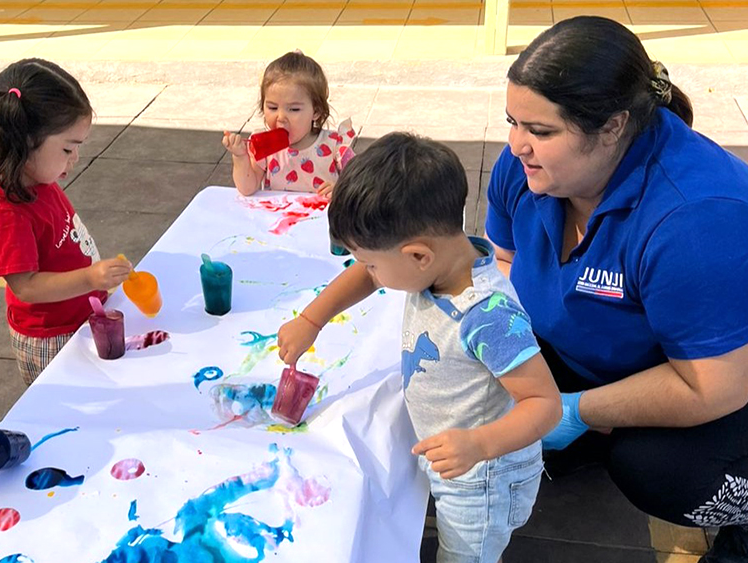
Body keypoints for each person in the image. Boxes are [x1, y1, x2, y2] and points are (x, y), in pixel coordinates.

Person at [486, 16, 748, 562]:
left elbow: (712, 387)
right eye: (512, 121)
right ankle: (586, 431)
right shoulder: (526, 170)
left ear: (614, 125)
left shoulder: (699, 220)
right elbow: (503, 261)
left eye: (542, 131)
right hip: (610, 345)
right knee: (479, 378)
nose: (517, 145)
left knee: (653, 467)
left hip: (742, 370)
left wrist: (573, 409)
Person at [276, 132, 561, 562]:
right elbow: (369, 276)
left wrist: (478, 445)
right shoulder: (434, 266)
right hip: (455, 452)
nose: (368, 271)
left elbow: (545, 404)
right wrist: (312, 319)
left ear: (418, 256)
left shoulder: (487, 316)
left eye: (371, 260)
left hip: (482, 477)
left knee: (466, 555)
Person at [0, 58, 132, 385]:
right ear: (26, 142)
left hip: (78, 316)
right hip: (51, 338)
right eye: (67, 148)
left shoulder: (33, 174)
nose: (74, 158)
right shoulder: (5, 207)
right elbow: (26, 286)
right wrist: (91, 277)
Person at [222, 50, 355, 197]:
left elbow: (361, 181)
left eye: (293, 109)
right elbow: (247, 188)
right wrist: (240, 157)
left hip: (322, 217)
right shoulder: (265, 150)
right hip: (278, 217)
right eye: (272, 107)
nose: (281, 117)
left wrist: (341, 189)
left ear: (316, 111)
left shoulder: (335, 145)